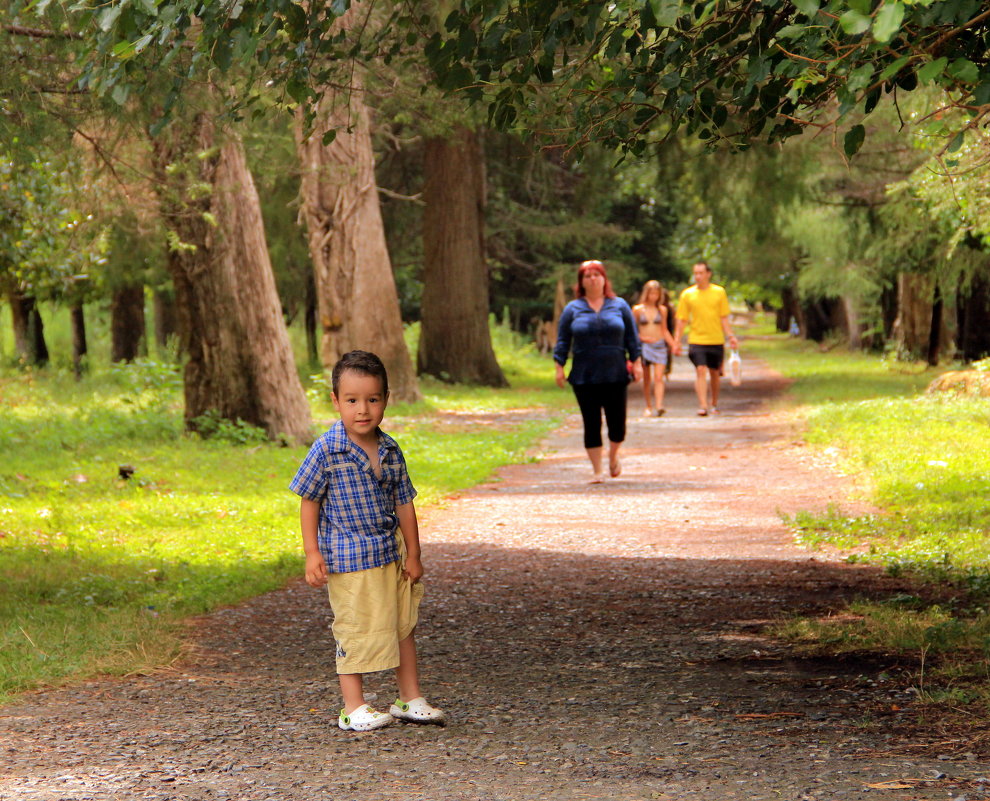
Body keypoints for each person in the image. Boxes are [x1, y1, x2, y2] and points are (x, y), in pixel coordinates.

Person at [289, 350, 446, 732]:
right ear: (336, 402)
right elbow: (309, 501)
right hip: (349, 558)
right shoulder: (326, 449)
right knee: (355, 628)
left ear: (386, 400)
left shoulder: (390, 449)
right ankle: (352, 706)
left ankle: (408, 697)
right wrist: (312, 553)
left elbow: (404, 502)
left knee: (402, 624)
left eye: (372, 399)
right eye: (352, 400)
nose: (363, 410)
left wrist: (414, 553)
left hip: (389, 554)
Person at [554, 260, 643, 483]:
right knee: (591, 422)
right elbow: (563, 341)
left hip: (615, 373)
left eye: (596, 275)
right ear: (581, 282)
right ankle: (597, 470)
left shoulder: (619, 305)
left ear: (604, 279)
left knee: (617, 423)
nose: (592, 279)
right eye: (587, 276)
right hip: (585, 375)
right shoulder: (572, 309)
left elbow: (632, 338)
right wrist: (559, 366)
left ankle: (613, 457)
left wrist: (637, 362)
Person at [672, 261, 738, 416]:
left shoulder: (719, 292)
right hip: (696, 339)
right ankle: (703, 405)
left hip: (716, 339)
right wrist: (677, 341)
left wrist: (731, 336)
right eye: (695, 273)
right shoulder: (687, 294)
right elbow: (682, 319)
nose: (698, 276)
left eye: (701, 273)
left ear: (708, 274)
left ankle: (714, 403)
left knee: (715, 373)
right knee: (700, 370)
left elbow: (724, 317)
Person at [632, 279, 676, 417]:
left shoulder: (662, 310)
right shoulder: (638, 310)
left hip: (659, 345)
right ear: (646, 294)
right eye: (651, 294)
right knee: (647, 378)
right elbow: (633, 331)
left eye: (656, 294)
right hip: (645, 346)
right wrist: (642, 338)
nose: (653, 297)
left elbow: (664, 330)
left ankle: (659, 405)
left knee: (658, 377)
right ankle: (648, 405)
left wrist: (674, 344)